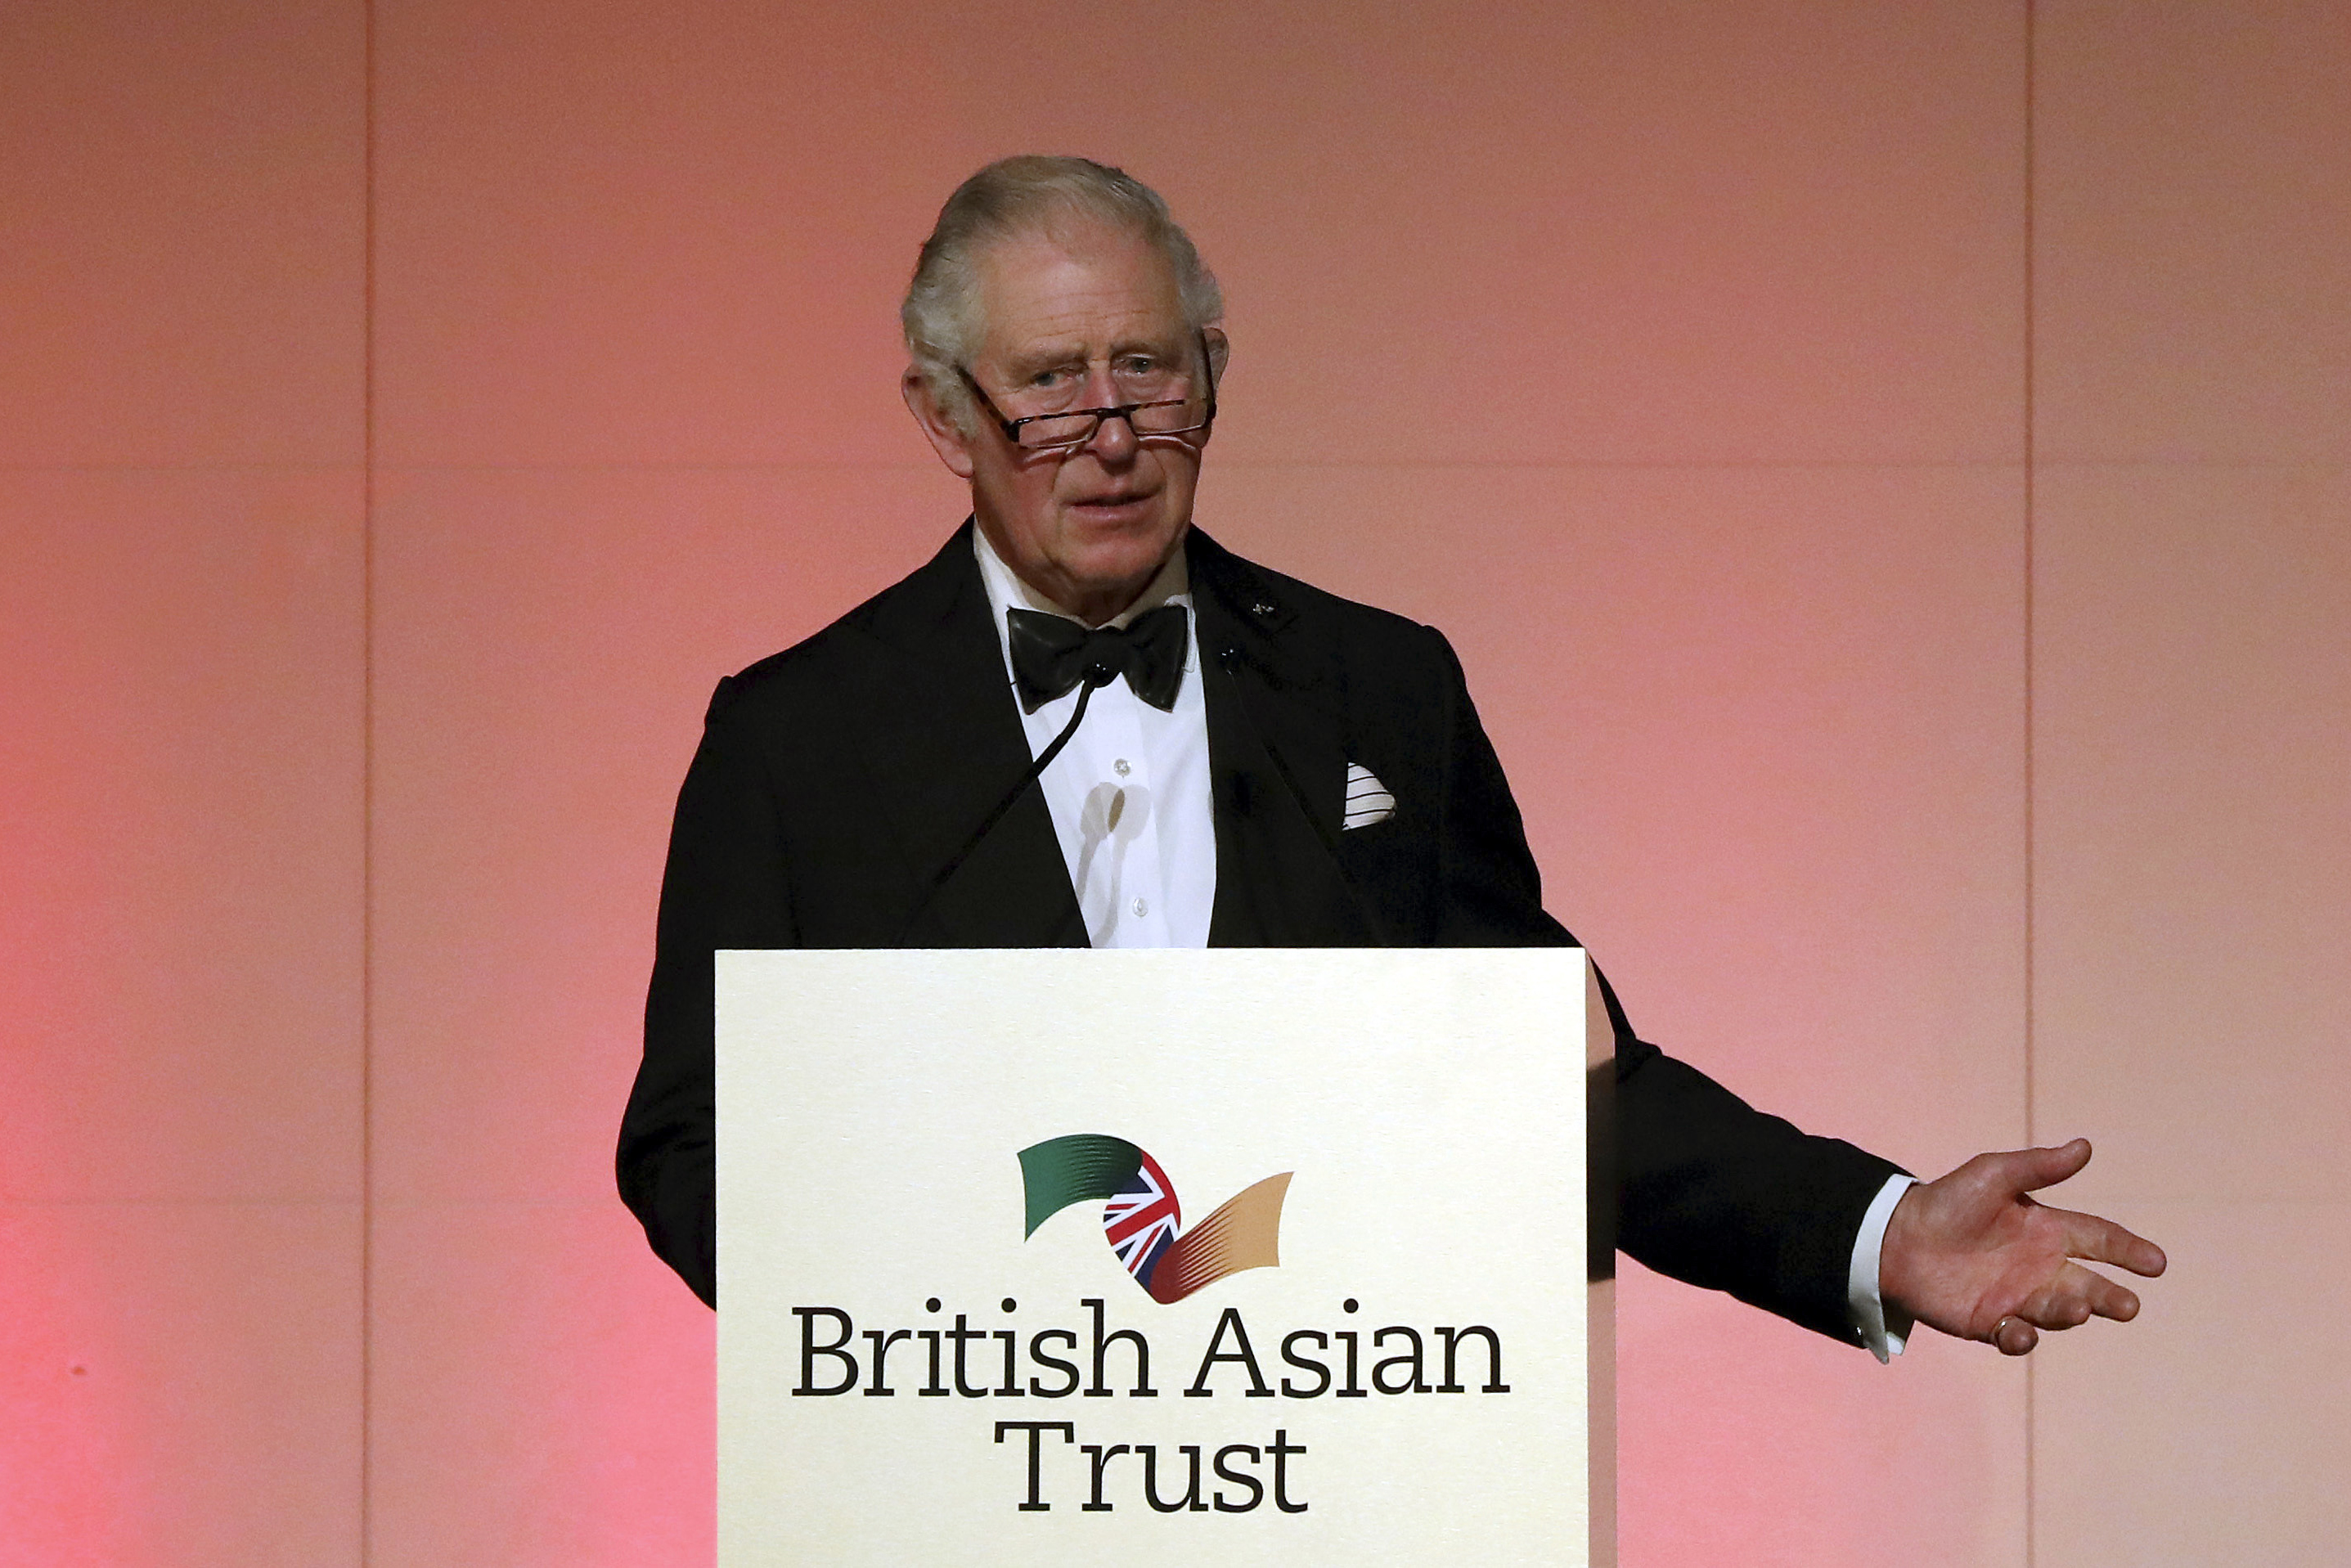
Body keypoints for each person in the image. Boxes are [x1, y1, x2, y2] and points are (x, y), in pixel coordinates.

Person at [618, 155, 2164, 1361]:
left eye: (1150, 370)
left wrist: (1873, 1229)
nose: (1108, 431)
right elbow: (691, 1147)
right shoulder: (796, 735)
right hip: (964, 1491)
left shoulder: (1375, 687)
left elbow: (1549, 1069)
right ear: (942, 414)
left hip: (1325, 1475)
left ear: (1212, 372)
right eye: (1049, 381)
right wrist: (922, 1345)